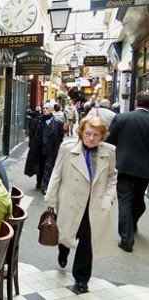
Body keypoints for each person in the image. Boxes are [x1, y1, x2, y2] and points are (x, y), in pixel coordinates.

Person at [45, 116, 117, 294]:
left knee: (87, 242)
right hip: (71, 200)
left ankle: (81, 278)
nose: (91, 138)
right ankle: (63, 251)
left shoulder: (109, 152)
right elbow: (56, 174)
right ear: (81, 132)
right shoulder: (67, 149)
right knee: (66, 234)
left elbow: (112, 176)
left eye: (96, 135)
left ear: (102, 136)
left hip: (94, 204)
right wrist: (51, 200)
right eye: (88, 133)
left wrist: (108, 199)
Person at [106, 92, 149, 252]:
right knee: (138, 198)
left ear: (136, 102)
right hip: (145, 170)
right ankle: (133, 223)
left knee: (124, 200)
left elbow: (109, 140)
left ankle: (127, 239)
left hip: (124, 166)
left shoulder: (123, 118)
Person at [25, 102, 64, 195]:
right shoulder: (38, 121)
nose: (45, 110)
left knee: (48, 167)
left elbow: (60, 136)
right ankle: (39, 182)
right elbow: (32, 134)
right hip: (39, 149)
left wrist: (57, 147)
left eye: (47, 108)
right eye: (44, 108)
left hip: (50, 149)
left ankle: (45, 186)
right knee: (40, 166)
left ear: (51, 111)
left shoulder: (57, 123)